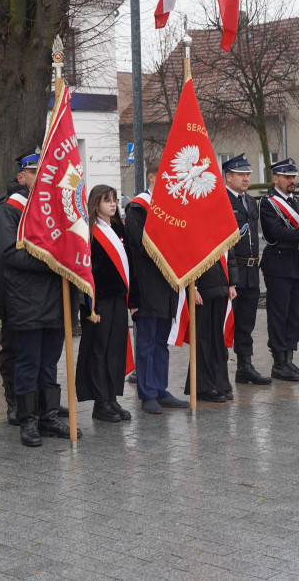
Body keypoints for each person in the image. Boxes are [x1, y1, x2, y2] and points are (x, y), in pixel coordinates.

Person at [0, 148, 79, 447]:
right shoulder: (10, 209)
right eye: (33, 172)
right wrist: (53, 262)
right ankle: (28, 422)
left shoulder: (58, 208)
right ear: (23, 176)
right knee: (28, 362)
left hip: (58, 299)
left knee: (49, 362)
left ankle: (48, 416)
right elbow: (9, 253)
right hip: (27, 298)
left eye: (43, 172)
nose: (39, 177)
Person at [125, 161, 189, 414]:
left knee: (161, 341)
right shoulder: (137, 208)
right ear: (151, 176)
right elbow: (139, 243)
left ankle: (160, 388)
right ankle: (147, 392)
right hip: (147, 283)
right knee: (147, 341)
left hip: (167, 283)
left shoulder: (171, 207)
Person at [77, 185, 133, 422]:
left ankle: (112, 398)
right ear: (95, 204)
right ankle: (100, 403)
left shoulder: (118, 228)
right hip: (98, 302)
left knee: (115, 348)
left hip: (118, 298)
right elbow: (87, 272)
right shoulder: (89, 232)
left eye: (114, 200)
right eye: (106, 200)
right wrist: (92, 306)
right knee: (98, 350)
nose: (112, 204)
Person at [0, 166, 27, 425]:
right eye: (33, 171)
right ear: (21, 177)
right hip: (11, 293)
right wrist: (0, 298)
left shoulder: (48, 203)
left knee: (40, 350)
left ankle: (39, 398)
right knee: (12, 348)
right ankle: (13, 401)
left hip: (41, 295)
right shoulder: (0, 207)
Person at [220, 154, 271, 386]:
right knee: (226, 321)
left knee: (246, 322)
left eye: (248, 174)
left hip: (251, 269)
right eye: (241, 174)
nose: (246, 178)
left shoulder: (250, 202)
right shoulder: (221, 200)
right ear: (228, 177)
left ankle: (245, 366)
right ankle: (220, 369)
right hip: (232, 269)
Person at [260, 158, 299, 381]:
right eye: (287, 177)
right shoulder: (267, 203)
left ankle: (289, 359)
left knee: (296, 314)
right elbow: (277, 232)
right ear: (276, 178)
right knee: (279, 314)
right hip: (279, 264)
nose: (292, 180)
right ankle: (279, 362)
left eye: (294, 176)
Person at [183, 252, 238, 402]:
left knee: (217, 340)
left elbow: (230, 253)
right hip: (202, 288)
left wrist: (232, 282)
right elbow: (189, 255)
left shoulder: (222, 228)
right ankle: (203, 386)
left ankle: (220, 382)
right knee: (202, 339)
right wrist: (192, 288)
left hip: (221, 286)